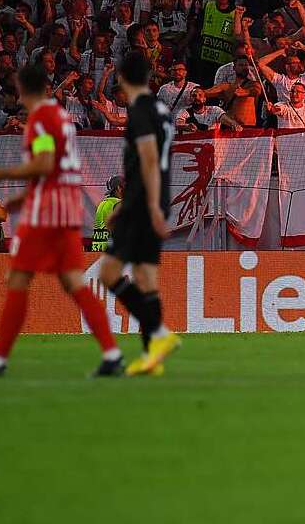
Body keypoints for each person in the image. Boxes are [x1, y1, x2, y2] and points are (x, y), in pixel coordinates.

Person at [0, 64, 122, 377]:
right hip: (65, 211)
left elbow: (46, 163)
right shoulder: (59, 117)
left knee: (18, 279)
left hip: (46, 216)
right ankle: (112, 354)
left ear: (24, 88)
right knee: (74, 283)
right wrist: (24, 196)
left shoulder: (41, 120)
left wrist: (1, 173)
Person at [97, 51, 180, 377]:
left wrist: (145, 207)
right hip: (150, 202)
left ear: (121, 78)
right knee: (145, 276)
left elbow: (147, 159)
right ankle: (152, 355)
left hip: (144, 203)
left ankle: (158, 334)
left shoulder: (141, 112)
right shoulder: (162, 109)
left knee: (110, 273)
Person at [90, 175, 123, 253]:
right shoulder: (119, 204)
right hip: (110, 250)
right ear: (119, 188)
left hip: (96, 249)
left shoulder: (102, 204)